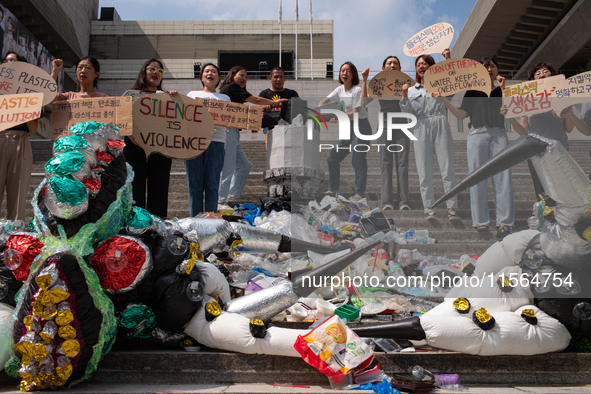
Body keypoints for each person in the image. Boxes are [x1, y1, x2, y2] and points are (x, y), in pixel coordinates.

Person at [435, 56, 514, 237]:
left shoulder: (503, 90)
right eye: (485, 67)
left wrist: (503, 89)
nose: (489, 70)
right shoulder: (472, 91)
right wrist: (445, 101)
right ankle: (480, 221)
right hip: (477, 133)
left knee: (503, 178)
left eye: (492, 66)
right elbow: (462, 115)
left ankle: (505, 222)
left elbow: (512, 109)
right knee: (477, 178)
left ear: (497, 69)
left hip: (499, 133)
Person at [501, 62, 591, 201]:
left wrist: (569, 111)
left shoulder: (562, 97)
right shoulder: (527, 102)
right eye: (537, 74)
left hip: (559, 151)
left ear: (553, 75)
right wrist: (511, 117)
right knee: (542, 193)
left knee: (563, 191)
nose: (542, 75)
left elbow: (568, 128)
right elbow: (523, 131)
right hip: (536, 153)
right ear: (533, 81)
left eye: (545, 71)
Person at [400, 50, 459, 221]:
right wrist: (404, 96)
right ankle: (429, 209)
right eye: (418, 64)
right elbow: (407, 113)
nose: (421, 66)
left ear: (431, 65)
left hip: (440, 122)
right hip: (420, 125)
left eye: (424, 63)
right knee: (424, 171)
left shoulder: (442, 84)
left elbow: (454, 83)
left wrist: (448, 59)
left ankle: (452, 208)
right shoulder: (411, 90)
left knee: (447, 169)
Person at [217, 65, 287, 208]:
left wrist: (261, 108)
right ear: (232, 75)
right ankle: (220, 200)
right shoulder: (230, 87)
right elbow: (255, 99)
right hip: (227, 131)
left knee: (244, 166)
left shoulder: (235, 92)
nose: (244, 79)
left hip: (234, 132)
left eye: (246, 77)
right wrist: (274, 103)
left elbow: (247, 109)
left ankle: (231, 196)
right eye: (241, 75)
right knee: (227, 167)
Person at [122, 59, 178, 219]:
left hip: (161, 149)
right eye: (152, 69)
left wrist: (175, 101)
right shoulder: (129, 94)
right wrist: (132, 135)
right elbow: (121, 120)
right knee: (134, 188)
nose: (156, 73)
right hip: (134, 147)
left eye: (160, 71)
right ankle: (134, 227)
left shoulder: (167, 97)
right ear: (144, 71)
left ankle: (157, 227)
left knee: (159, 190)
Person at [361, 56, 410, 211]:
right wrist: (364, 80)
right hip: (384, 121)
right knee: (385, 161)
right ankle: (386, 202)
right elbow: (364, 102)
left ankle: (404, 201)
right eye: (389, 63)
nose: (392, 65)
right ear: (383, 68)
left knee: (402, 162)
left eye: (395, 63)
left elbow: (409, 105)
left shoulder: (406, 83)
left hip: (402, 120)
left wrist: (405, 93)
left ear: (400, 68)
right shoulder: (379, 84)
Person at [319, 61, 373, 200]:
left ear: (353, 74)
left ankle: (359, 193)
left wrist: (338, 116)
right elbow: (325, 100)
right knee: (332, 158)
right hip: (347, 127)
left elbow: (356, 112)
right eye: (343, 70)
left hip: (361, 126)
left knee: (358, 159)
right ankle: (332, 189)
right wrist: (321, 110)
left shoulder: (357, 90)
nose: (345, 73)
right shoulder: (339, 89)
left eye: (348, 71)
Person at [184, 63, 230, 215]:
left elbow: (231, 123)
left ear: (219, 78)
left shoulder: (225, 98)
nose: (210, 74)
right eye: (207, 71)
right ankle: (195, 220)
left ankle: (210, 222)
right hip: (193, 143)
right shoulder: (191, 95)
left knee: (212, 185)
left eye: (214, 72)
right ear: (201, 76)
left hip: (216, 142)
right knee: (194, 186)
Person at [0, 53, 38, 220]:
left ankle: (14, 236)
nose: (9, 64)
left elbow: (33, 128)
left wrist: (25, 103)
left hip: (21, 142)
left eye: (13, 61)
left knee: (18, 193)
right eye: (5, 61)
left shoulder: (30, 92)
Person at [259, 67, 299, 147]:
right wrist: (262, 106)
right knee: (272, 152)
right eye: (276, 77)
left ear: (284, 78)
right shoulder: (264, 94)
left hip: (288, 129)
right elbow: (257, 107)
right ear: (270, 78)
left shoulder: (292, 93)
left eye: (281, 77)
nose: (278, 79)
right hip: (269, 128)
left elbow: (299, 108)